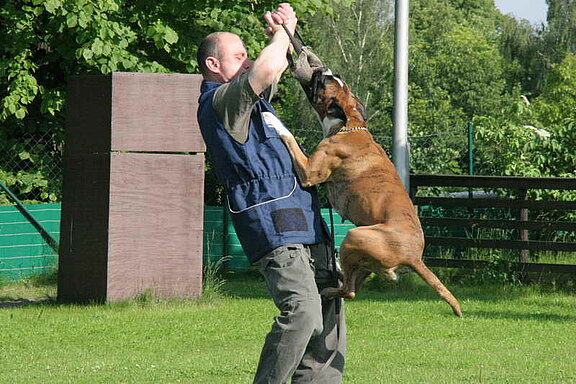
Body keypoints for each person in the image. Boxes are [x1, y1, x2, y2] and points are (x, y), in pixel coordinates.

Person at [196, 3, 345, 383]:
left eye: (248, 54)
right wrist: (282, 31)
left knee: (328, 317)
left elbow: (277, 67)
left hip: (307, 220)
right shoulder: (220, 103)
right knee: (303, 312)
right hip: (274, 225)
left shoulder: (256, 105)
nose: (247, 61)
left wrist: (289, 34)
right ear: (214, 65)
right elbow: (265, 68)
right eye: (238, 55)